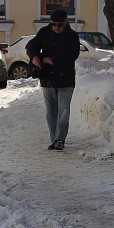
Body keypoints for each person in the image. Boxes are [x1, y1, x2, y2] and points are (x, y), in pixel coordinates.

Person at [25, 9, 80, 151]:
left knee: (63, 111)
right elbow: (31, 46)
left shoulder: (72, 36)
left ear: (65, 22)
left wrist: (53, 61)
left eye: (59, 25)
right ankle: (54, 139)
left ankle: (60, 139)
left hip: (66, 81)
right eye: (54, 24)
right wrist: (34, 57)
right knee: (51, 114)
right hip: (47, 79)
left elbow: (73, 56)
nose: (56, 27)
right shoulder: (44, 32)